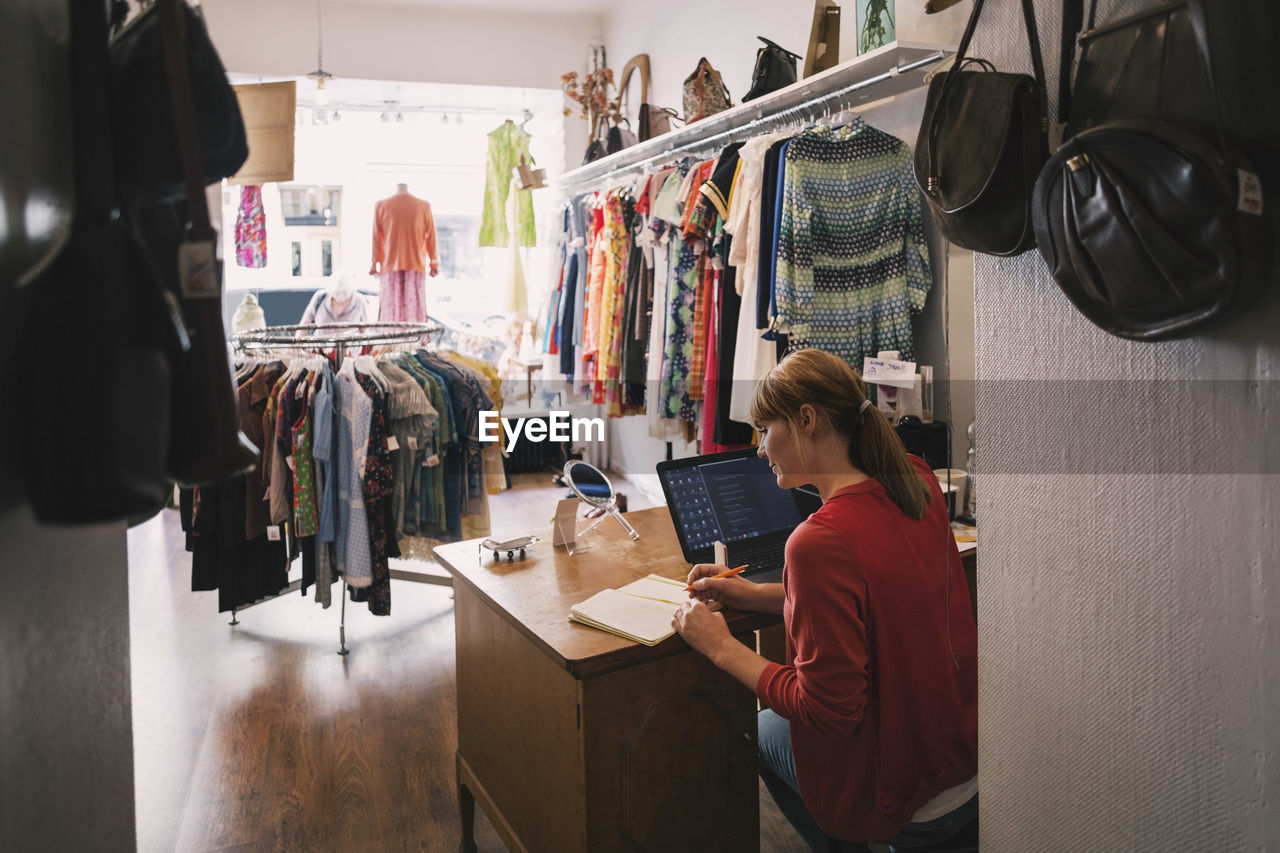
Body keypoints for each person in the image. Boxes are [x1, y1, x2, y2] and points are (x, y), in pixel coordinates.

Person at [671, 348, 978, 852]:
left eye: (765, 430)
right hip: (962, 756)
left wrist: (720, 647)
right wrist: (754, 594)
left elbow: (828, 711)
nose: (760, 450)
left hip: (903, 793)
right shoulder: (916, 479)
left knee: (759, 729)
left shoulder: (819, 542)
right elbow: (875, 602)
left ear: (806, 421)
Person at [298, 272, 370, 330]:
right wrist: (298, 345)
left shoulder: (360, 301)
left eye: (345, 293)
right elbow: (305, 322)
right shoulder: (320, 297)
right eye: (336, 293)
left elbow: (365, 329)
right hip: (321, 346)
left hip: (350, 347)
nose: (340, 297)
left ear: (352, 290)